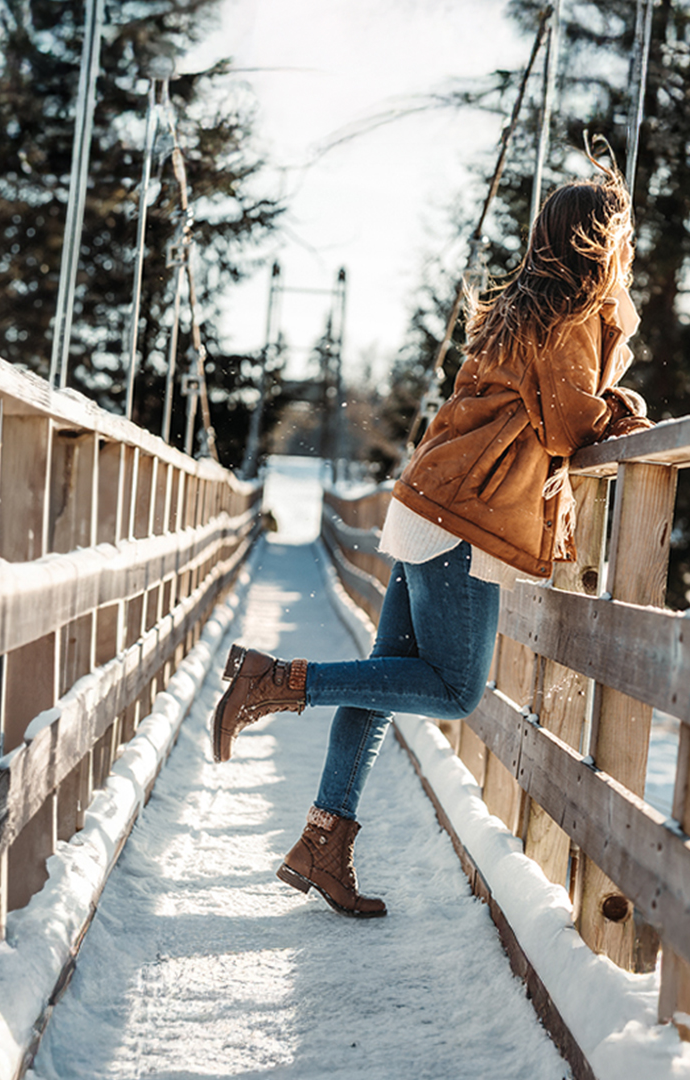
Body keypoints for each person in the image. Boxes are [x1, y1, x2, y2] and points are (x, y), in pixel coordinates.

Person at [210, 162, 653, 918]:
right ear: (599, 248)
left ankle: (323, 843)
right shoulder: (572, 320)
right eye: (623, 247)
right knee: (454, 690)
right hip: (465, 519)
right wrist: (625, 399)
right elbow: (572, 424)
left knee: (385, 679)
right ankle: (278, 680)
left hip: (430, 503)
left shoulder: (526, 309)